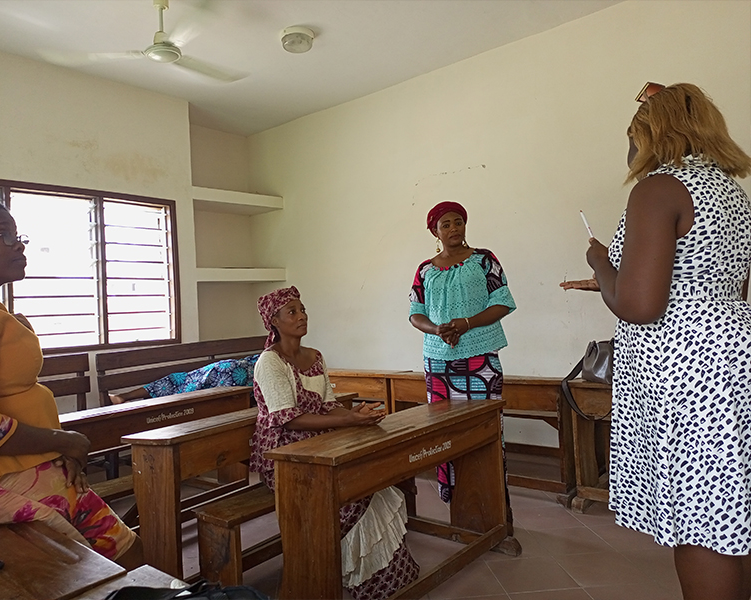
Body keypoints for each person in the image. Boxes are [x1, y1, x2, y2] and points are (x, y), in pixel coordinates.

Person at [561, 83, 751, 600]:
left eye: (632, 134)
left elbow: (640, 307)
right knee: (729, 509)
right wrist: (615, 277)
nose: (629, 148)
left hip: (683, 368)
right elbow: (723, 283)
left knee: (699, 522)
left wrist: (601, 264)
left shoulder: (660, 187)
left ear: (654, 132)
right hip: (730, 353)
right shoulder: (731, 193)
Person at [0, 188, 143, 568]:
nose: (18, 245)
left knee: (131, 557)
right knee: (97, 571)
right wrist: (66, 441)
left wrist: (57, 449)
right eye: (2, 234)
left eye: (18, 235)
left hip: (22, 463)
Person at [249, 286, 419, 599]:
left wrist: (357, 414)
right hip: (287, 457)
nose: (302, 316)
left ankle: (386, 582)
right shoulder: (269, 363)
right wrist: (347, 420)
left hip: (323, 446)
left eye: (303, 310)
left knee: (373, 481)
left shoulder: (314, 356)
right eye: (293, 312)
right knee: (354, 493)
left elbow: (328, 405)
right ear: (273, 321)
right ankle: (320, 566)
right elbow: (289, 419)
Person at [408, 201, 519, 550]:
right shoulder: (425, 270)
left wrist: (466, 324)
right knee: (447, 434)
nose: (454, 228)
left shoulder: (485, 260)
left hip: (480, 357)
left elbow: (503, 302)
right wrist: (438, 330)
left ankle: (497, 516)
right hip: (439, 363)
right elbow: (415, 313)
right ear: (434, 232)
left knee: (485, 432)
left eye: (459, 222)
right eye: (445, 224)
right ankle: (460, 514)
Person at [108, 353, 260, 404]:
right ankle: (124, 397)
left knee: (182, 381)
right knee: (184, 384)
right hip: (235, 374)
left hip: (232, 370)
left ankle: (124, 396)